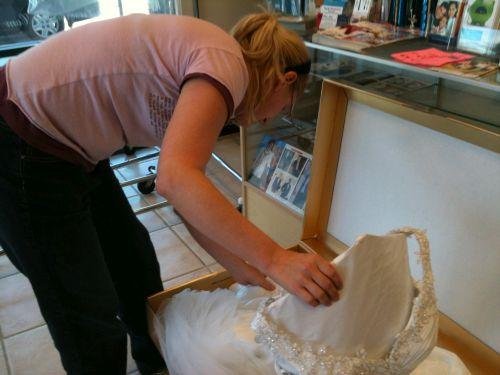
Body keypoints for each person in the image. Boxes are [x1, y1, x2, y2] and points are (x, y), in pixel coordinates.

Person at [0, 11, 343, 375]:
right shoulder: (226, 65)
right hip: (23, 139)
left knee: (134, 264)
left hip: (69, 146)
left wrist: (238, 266)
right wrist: (274, 258)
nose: (269, 119)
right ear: (285, 81)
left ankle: (155, 367)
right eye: (285, 108)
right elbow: (176, 179)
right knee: (86, 310)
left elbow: (187, 196)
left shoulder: (213, 65)